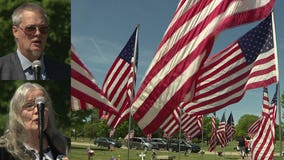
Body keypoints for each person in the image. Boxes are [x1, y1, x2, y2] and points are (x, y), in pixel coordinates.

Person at [0, 2, 70, 80]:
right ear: (15, 31)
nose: (38, 33)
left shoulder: (65, 71)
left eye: (43, 29)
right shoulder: (2, 68)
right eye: (30, 28)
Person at [0, 82, 69, 160]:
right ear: (17, 113)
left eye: (43, 105)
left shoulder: (63, 144)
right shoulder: (4, 150)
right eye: (29, 106)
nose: (38, 110)